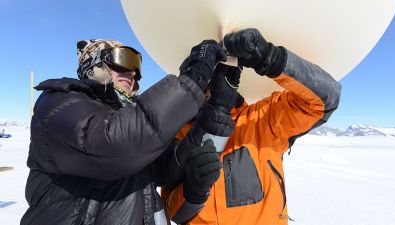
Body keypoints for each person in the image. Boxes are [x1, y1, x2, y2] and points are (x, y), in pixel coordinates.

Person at [20, 39, 227, 225]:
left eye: (136, 66)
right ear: (93, 64)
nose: (133, 73)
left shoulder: (131, 122)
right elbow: (114, 144)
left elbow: (164, 166)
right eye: (123, 60)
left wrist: (216, 110)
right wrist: (191, 81)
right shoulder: (59, 103)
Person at [161, 28, 342, 225]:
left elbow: (327, 97)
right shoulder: (178, 134)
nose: (205, 86)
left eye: (213, 74)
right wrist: (192, 193)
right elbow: (171, 213)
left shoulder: (263, 118)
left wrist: (270, 58)